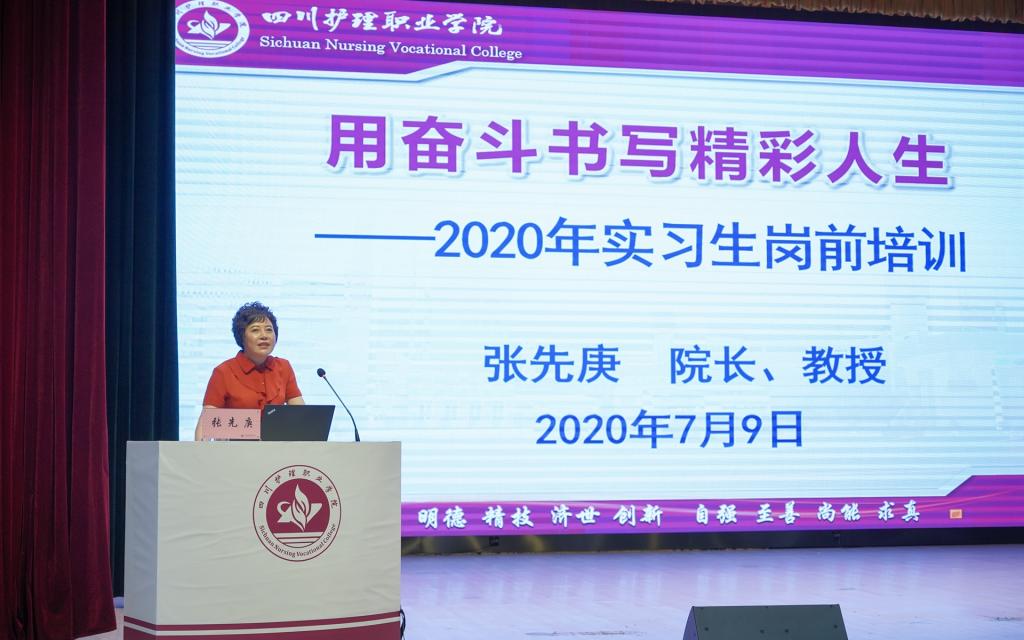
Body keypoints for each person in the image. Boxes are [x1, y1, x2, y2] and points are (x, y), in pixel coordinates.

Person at [202, 301, 305, 411]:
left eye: (269, 330)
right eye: (255, 330)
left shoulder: (283, 367)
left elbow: (301, 414)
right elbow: (208, 419)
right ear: (241, 336)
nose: (264, 336)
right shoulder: (223, 372)